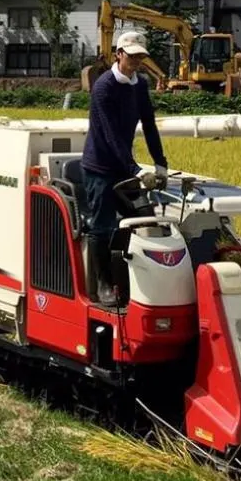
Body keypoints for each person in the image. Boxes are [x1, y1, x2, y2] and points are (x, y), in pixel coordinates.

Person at [80, 30, 168, 306]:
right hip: (100, 167)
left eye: (141, 57)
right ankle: (103, 285)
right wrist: (136, 169)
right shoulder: (104, 87)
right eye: (132, 57)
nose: (137, 62)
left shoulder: (139, 84)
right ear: (119, 54)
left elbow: (149, 124)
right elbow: (110, 136)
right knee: (102, 225)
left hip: (124, 166)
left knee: (145, 217)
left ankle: (139, 278)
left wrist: (160, 163)